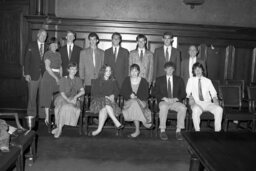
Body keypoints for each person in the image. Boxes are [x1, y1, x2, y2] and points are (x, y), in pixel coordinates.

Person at [152, 61, 187, 141]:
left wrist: (176, 98)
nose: (170, 71)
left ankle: (178, 131)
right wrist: (164, 98)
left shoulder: (179, 80)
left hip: (175, 101)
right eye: (168, 69)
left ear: (174, 70)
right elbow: (154, 92)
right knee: (164, 107)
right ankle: (162, 130)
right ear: (165, 69)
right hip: (164, 101)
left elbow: (183, 93)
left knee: (183, 108)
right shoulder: (159, 79)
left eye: (171, 69)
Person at [186, 62, 223, 132]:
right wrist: (191, 100)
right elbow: (188, 93)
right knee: (196, 110)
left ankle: (218, 131)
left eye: (199, 69)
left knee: (219, 109)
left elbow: (213, 93)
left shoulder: (208, 81)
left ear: (202, 70)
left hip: (208, 103)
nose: (198, 71)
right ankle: (197, 131)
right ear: (193, 71)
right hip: (196, 102)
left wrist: (215, 100)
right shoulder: (191, 80)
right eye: (195, 69)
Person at [52, 63, 85, 138]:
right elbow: (62, 92)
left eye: (75, 69)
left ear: (76, 71)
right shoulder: (63, 79)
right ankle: (59, 128)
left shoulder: (78, 79)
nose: (73, 70)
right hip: (62, 97)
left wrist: (75, 97)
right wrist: (68, 100)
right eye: (72, 69)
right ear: (68, 70)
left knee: (64, 107)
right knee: (60, 106)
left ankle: (59, 128)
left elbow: (83, 91)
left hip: (72, 97)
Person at [120, 64, 154, 138]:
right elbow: (122, 92)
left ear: (138, 72)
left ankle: (137, 131)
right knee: (134, 103)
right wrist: (129, 95)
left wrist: (136, 97)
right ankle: (145, 122)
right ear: (130, 72)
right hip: (129, 102)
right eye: (132, 71)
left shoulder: (144, 81)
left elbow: (146, 95)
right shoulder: (126, 80)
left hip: (141, 102)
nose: (134, 73)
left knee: (135, 104)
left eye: (136, 71)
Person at [89, 65, 123, 136]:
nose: (108, 72)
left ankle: (98, 130)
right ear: (102, 71)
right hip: (97, 102)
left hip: (109, 104)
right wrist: (105, 97)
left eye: (110, 71)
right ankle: (116, 121)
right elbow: (94, 94)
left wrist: (113, 95)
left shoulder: (113, 81)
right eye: (106, 70)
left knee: (104, 108)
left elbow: (117, 91)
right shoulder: (96, 81)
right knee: (105, 101)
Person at [24, 28, 47, 117]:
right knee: (32, 97)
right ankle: (31, 115)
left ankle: (42, 116)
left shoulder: (48, 46)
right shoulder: (31, 45)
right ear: (38, 35)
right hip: (32, 75)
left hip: (44, 76)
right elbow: (26, 60)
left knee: (43, 97)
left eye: (45, 35)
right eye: (42, 35)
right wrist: (26, 74)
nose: (43, 37)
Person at [39, 37, 62, 126]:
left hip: (57, 76)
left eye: (56, 44)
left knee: (57, 98)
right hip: (49, 77)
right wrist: (56, 78)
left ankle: (56, 119)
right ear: (49, 45)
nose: (54, 45)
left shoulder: (58, 54)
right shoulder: (47, 54)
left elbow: (60, 67)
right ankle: (47, 118)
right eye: (52, 44)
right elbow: (47, 67)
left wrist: (60, 78)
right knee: (48, 97)